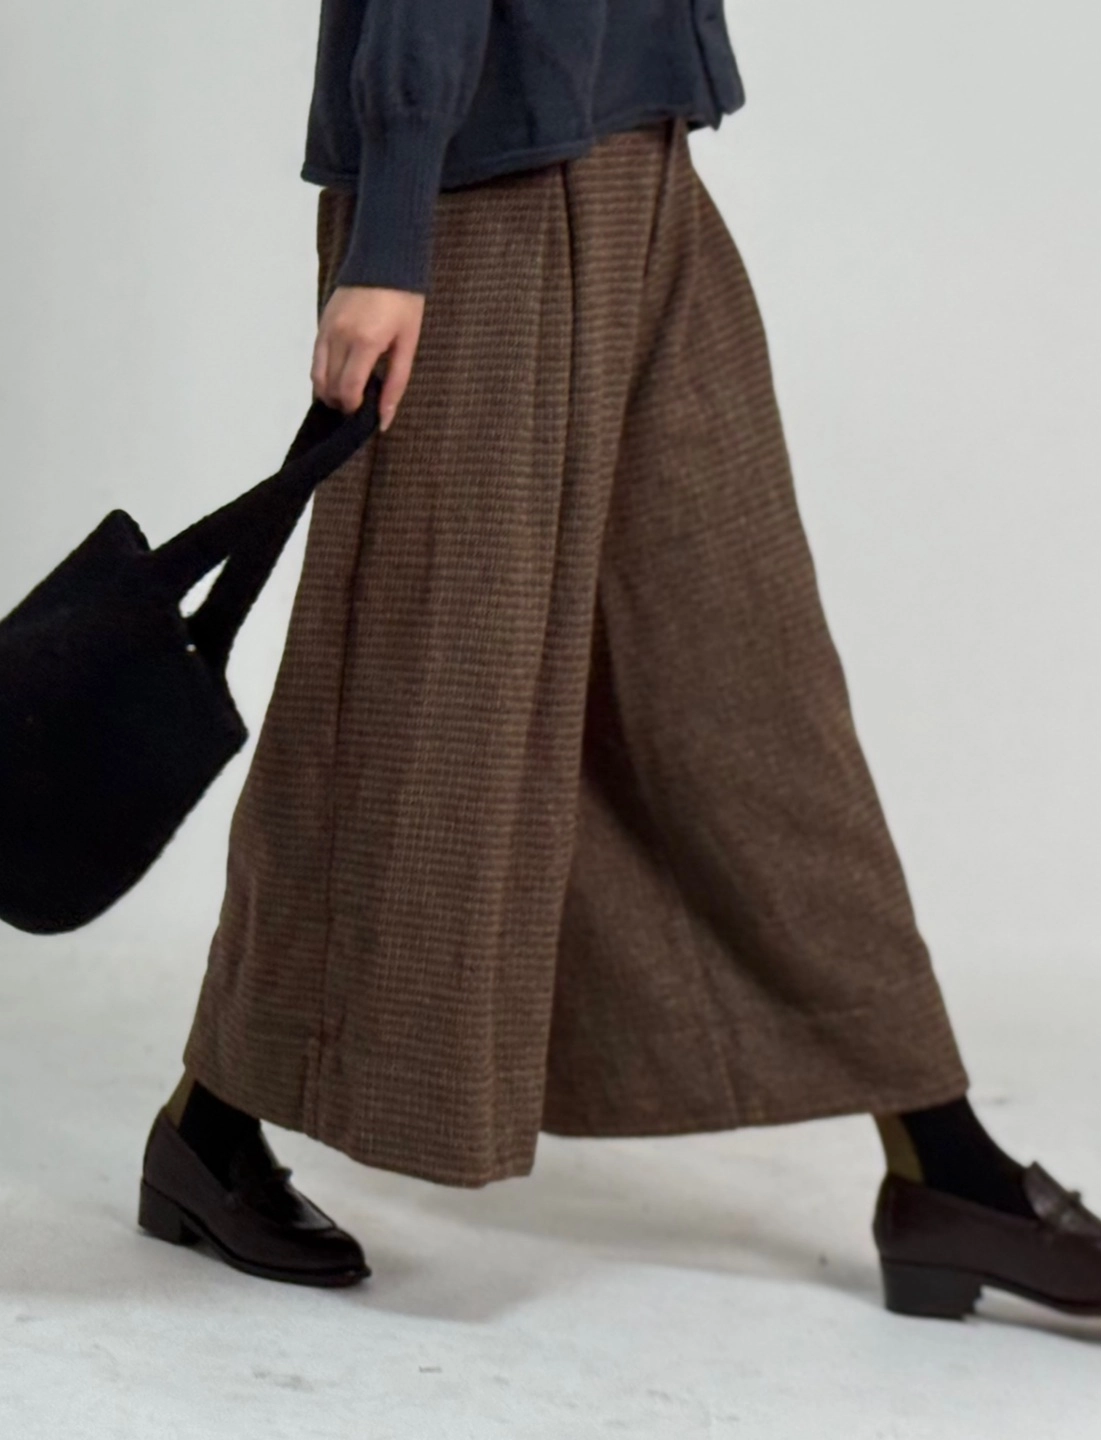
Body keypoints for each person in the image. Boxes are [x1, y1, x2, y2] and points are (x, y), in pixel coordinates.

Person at [138, 2, 1101, 1316]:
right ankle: (211, 1121)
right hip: (476, 195)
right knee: (425, 700)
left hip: (638, 150)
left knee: (745, 681)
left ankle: (943, 1160)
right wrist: (395, 226)